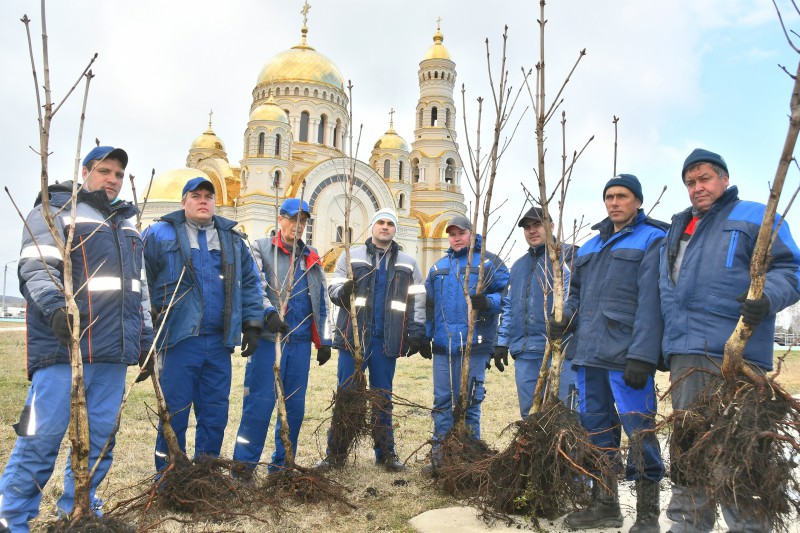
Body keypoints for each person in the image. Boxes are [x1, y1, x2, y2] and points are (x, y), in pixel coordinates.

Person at [0, 146, 154, 531]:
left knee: (100, 442)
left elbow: (139, 289)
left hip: (112, 354)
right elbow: (35, 265)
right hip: (63, 348)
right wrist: (55, 308)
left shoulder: (128, 225)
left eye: (119, 175)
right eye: (105, 171)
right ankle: (11, 517)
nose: (113, 180)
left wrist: (145, 336)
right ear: (85, 171)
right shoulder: (54, 212)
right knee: (41, 438)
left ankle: (79, 510)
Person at [660, 149, 800, 533]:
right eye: (690, 182)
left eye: (704, 178)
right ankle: (688, 524)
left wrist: (765, 298)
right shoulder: (680, 227)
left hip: (739, 354)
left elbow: (790, 268)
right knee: (688, 445)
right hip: (686, 355)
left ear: (723, 179)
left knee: (741, 449)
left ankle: (749, 527)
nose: (697, 188)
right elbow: (667, 289)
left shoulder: (756, 215)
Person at [551, 174, 667, 531]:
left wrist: (643, 355)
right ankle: (605, 504)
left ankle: (647, 514)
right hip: (588, 354)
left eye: (622, 196)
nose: (614, 202)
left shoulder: (653, 239)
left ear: (638, 201)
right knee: (597, 431)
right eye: (609, 197)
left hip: (626, 356)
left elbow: (652, 301)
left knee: (640, 430)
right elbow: (576, 293)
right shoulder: (589, 246)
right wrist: (566, 318)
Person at [142, 176, 264, 473]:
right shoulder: (159, 234)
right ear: (183, 202)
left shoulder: (232, 239)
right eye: (195, 195)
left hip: (218, 343)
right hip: (178, 339)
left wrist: (252, 322)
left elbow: (250, 282)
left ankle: (205, 473)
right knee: (175, 411)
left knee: (214, 412)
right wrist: (146, 330)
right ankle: (169, 474)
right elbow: (141, 281)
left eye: (208, 196)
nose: (203, 200)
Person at [318, 208, 428, 472]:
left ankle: (385, 453)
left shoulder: (408, 263)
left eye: (391, 223)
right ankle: (336, 454)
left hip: (385, 340)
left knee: (382, 397)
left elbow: (418, 299)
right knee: (347, 395)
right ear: (372, 226)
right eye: (381, 222)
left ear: (395, 229)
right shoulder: (351, 257)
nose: (385, 227)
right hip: (353, 339)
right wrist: (343, 292)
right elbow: (333, 289)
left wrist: (417, 330)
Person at [232, 198, 331, 476]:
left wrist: (324, 342)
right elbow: (255, 284)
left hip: (299, 345)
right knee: (258, 407)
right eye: (292, 219)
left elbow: (321, 300)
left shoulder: (311, 256)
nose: (297, 226)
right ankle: (243, 468)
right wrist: (268, 312)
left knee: (295, 409)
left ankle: (283, 465)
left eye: (302, 221)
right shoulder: (261, 248)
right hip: (269, 343)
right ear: (280, 220)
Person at [425, 215, 509, 469]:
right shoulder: (439, 267)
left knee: (470, 401)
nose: (456, 238)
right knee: (442, 402)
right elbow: (429, 305)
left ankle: (471, 456)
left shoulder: (489, 263)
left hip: (475, 345)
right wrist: (424, 334)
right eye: (452, 234)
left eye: (461, 233)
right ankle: (441, 457)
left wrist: (489, 302)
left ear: (471, 234)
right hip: (443, 345)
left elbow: (505, 297)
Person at [494, 206, 577, 418]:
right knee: (530, 414)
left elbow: (577, 301)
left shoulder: (566, 258)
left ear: (550, 226)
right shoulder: (519, 266)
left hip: (561, 350)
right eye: (527, 227)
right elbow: (510, 307)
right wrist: (503, 342)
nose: (532, 231)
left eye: (537, 225)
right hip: (526, 352)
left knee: (566, 416)